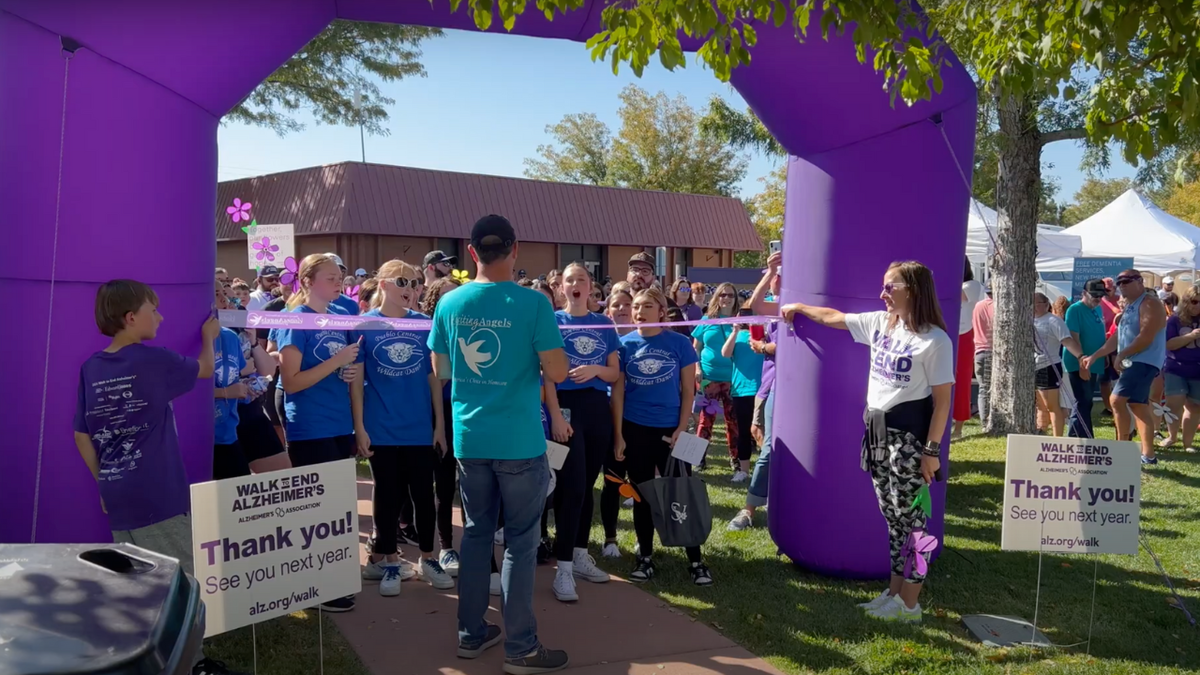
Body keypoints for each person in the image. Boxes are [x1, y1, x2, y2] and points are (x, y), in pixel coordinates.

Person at [74, 280, 248, 675]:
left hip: (117, 492)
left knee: (137, 584)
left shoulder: (91, 367)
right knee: (181, 583)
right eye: (154, 309)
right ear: (131, 317)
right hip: (158, 491)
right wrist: (209, 336)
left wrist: (105, 480)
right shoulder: (153, 360)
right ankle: (193, 665)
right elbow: (205, 369)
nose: (162, 316)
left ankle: (145, 661)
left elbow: (81, 434)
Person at [428, 214, 570, 672]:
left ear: (472, 254)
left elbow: (442, 370)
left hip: (471, 439)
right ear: (515, 250)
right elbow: (559, 372)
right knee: (521, 543)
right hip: (519, 442)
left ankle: (471, 634)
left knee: (475, 536)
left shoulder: (449, 303)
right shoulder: (533, 304)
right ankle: (521, 647)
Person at [782, 261, 953, 623]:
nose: (883, 294)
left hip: (908, 438)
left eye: (891, 287)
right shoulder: (880, 323)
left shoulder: (935, 340)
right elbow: (834, 317)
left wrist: (931, 452)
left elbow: (943, 403)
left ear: (914, 290)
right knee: (892, 517)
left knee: (914, 523)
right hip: (876, 433)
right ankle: (893, 594)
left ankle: (910, 603)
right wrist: (798, 307)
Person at [352, 260, 452, 596]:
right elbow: (357, 382)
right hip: (380, 429)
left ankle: (428, 557)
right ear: (381, 285)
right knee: (387, 496)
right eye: (401, 281)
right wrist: (359, 428)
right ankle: (391, 561)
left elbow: (433, 377)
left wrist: (439, 426)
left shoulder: (425, 324)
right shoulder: (364, 325)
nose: (409, 288)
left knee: (425, 495)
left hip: (419, 429)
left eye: (414, 282)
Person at [275, 253, 363, 612]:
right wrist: (336, 363)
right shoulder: (294, 319)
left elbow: (345, 370)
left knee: (339, 506)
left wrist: (348, 373)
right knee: (317, 508)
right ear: (308, 281)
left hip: (340, 422)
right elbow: (291, 383)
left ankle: (333, 577)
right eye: (330, 277)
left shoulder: (342, 316)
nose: (338, 282)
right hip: (310, 424)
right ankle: (315, 584)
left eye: (339, 277)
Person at [613, 287, 712, 586]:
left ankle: (695, 560)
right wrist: (619, 435)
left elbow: (687, 391)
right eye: (636, 306)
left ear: (661, 311)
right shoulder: (623, 345)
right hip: (635, 428)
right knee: (643, 495)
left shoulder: (680, 344)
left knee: (681, 493)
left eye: (647, 306)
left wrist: (682, 428)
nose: (639, 311)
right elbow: (617, 394)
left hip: (672, 431)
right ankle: (645, 556)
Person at [543, 262, 619, 602]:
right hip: (565, 410)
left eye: (581, 280)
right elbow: (545, 374)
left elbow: (615, 374)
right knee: (570, 487)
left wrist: (596, 369)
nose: (575, 285)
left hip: (596, 411)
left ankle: (578, 552)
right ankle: (563, 570)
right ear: (561, 287)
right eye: (569, 280)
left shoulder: (604, 323)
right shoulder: (552, 321)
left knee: (587, 487)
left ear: (591, 288)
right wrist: (556, 417)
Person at [1081, 269, 1168, 465]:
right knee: (1137, 405)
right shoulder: (1130, 306)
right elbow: (1116, 337)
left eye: (1126, 281)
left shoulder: (1150, 303)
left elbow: (1146, 337)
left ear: (1139, 281)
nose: (1122, 285)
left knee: (1116, 400)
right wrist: (1094, 356)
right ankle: (1148, 454)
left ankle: (1121, 447)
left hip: (1144, 360)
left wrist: (1122, 354)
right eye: (1119, 282)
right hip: (1134, 361)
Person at [729, 253, 781, 530]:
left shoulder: (801, 303)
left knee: (774, 448)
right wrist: (768, 271)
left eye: (777, 275)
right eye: (772, 276)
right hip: (769, 386)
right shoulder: (775, 306)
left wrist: (766, 348)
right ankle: (755, 505)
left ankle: (760, 504)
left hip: (792, 390)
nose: (774, 280)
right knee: (764, 443)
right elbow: (755, 307)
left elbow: (781, 347)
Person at [420, 277, 465, 575]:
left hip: (469, 411)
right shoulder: (427, 332)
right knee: (444, 482)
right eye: (444, 297)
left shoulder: (470, 328)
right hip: (440, 412)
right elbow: (435, 378)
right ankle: (446, 546)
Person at [692, 282, 739, 472]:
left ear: (736, 299)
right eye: (722, 295)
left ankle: (736, 461)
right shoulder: (706, 320)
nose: (726, 298)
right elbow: (695, 347)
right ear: (716, 297)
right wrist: (697, 367)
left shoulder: (741, 321)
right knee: (704, 420)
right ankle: (696, 459)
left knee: (733, 421)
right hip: (708, 378)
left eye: (730, 295)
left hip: (733, 379)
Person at [720, 304, 764, 481]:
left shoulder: (762, 335)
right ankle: (744, 470)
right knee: (744, 431)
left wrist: (763, 327)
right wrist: (735, 331)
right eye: (743, 314)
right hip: (741, 390)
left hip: (762, 389)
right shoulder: (736, 336)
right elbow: (725, 353)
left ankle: (764, 468)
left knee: (762, 431)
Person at [1033, 292, 1084, 437]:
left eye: (1038, 303)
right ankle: (1041, 431)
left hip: (1049, 366)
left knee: (1052, 405)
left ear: (1046, 304)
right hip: (1032, 367)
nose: (1035, 307)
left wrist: (1080, 356)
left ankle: (1057, 438)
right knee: (1040, 405)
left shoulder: (1054, 321)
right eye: (1033, 304)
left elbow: (1067, 341)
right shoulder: (1027, 319)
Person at [1159, 284, 1200, 453]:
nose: (1198, 305)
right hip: (1176, 368)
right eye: (1195, 301)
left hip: (1197, 370)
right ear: (1186, 301)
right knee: (1173, 404)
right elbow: (1168, 344)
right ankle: (1172, 436)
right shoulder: (1175, 320)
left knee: (1195, 407)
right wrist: (1190, 336)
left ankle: (1188, 444)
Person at [1063, 280, 1107, 439]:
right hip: (1079, 362)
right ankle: (1080, 437)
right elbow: (1073, 338)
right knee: (1083, 401)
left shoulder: (1098, 309)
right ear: (1084, 293)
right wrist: (1082, 364)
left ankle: (1080, 436)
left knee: (1086, 401)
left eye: (1101, 295)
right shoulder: (1075, 310)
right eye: (1094, 295)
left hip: (1094, 362)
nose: (1098, 298)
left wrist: (1104, 356)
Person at [953, 260, 985, 439]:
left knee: (962, 381)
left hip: (965, 335)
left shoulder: (972, 285)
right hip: (947, 332)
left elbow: (959, 295)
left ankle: (958, 428)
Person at [972, 284, 995, 430]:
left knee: (983, 388)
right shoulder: (998, 306)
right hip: (992, 350)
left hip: (979, 351)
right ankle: (987, 421)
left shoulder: (978, 306)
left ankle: (984, 421)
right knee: (990, 389)